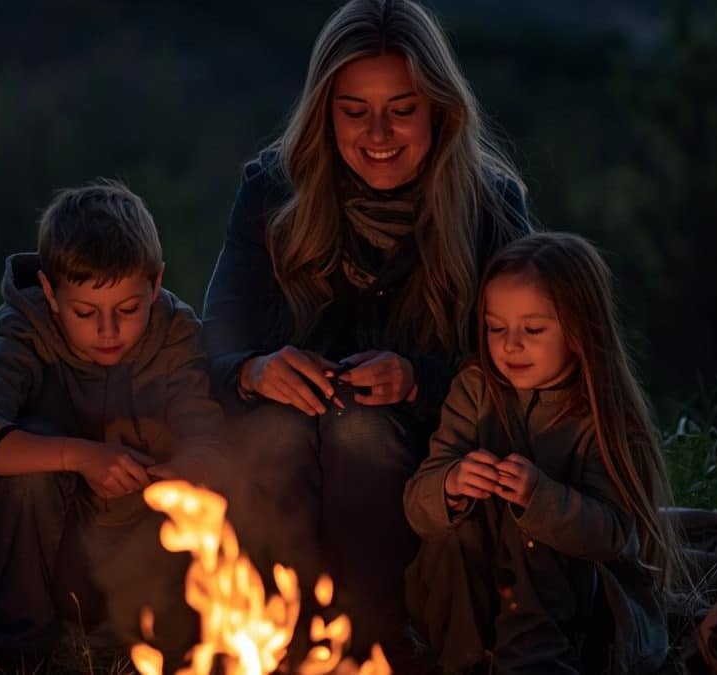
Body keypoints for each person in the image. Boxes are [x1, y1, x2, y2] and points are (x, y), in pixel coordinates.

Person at [201, 0, 529, 664]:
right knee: (276, 430)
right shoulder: (272, 193)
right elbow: (215, 343)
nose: (378, 133)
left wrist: (417, 380)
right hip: (285, 450)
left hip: (428, 457)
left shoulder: (489, 206)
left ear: (439, 110)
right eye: (355, 111)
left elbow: (528, 369)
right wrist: (255, 372)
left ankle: (371, 646)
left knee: (360, 429)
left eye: (401, 109)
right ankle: (281, 639)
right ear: (325, 113)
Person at [0, 180, 225, 674]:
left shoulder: (175, 334)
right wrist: (81, 456)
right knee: (25, 471)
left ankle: (171, 635)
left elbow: (208, 437)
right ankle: (22, 656)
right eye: (85, 312)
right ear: (51, 293)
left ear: (155, 284)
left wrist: (180, 474)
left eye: (128, 310)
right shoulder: (25, 331)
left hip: (134, 563)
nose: (108, 330)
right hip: (31, 565)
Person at [404, 232, 687, 674]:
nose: (510, 345)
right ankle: (462, 663)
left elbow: (612, 535)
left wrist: (540, 497)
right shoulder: (475, 390)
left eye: (533, 330)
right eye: (496, 328)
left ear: (580, 329)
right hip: (471, 611)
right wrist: (451, 485)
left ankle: (532, 665)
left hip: (580, 619)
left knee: (534, 535)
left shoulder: (600, 413)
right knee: (455, 530)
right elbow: (417, 506)